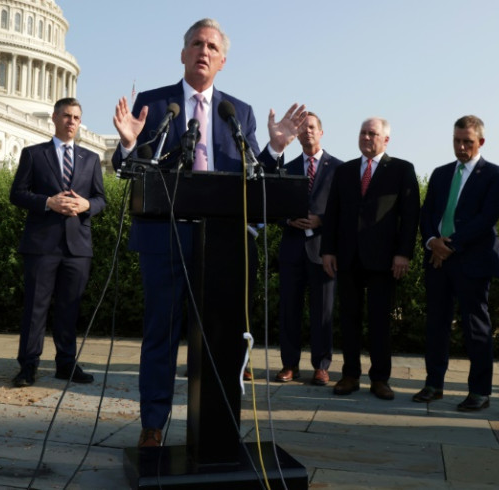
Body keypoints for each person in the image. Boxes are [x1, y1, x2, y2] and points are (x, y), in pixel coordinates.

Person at [111, 18, 306, 447]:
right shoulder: (155, 103)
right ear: (183, 54)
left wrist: (274, 148)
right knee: (161, 333)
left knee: (221, 337)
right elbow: (132, 169)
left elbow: (253, 179)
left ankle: (218, 429)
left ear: (222, 60)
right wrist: (127, 146)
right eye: (196, 44)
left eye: (211, 46)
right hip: (165, 239)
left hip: (222, 245)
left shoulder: (237, 112)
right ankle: (153, 425)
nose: (203, 51)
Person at [10, 98, 107, 388]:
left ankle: (66, 364)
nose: (71, 122)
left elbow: (102, 200)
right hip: (41, 244)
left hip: (77, 247)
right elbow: (17, 194)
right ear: (54, 117)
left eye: (76, 117)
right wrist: (48, 202)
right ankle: (28, 366)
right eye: (66, 116)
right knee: (35, 308)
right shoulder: (34, 154)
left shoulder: (91, 159)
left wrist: (85, 205)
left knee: (70, 308)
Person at [413, 116, 499, 411]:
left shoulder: (495, 174)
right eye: (457, 140)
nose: (461, 146)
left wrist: (449, 245)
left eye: (467, 141)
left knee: (475, 327)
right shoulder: (441, 174)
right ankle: (433, 384)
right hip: (437, 259)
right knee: (436, 324)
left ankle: (480, 391)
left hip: (473, 260)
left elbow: (487, 217)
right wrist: (432, 242)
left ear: (480, 142)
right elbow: (427, 213)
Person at [321, 117, 420, 400]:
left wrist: (403, 253)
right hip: (347, 258)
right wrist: (328, 250)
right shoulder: (344, 171)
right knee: (348, 318)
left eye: (372, 134)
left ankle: (380, 379)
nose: (366, 138)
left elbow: (411, 216)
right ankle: (350, 375)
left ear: (385, 139)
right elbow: (333, 212)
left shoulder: (401, 169)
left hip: (384, 259)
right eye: (363, 133)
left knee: (380, 321)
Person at [276, 112, 343, 386]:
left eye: (312, 127)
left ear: (321, 132)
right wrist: (288, 219)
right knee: (289, 309)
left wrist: (322, 220)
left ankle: (321, 366)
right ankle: (289, 365)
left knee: (323, 312)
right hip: (292, 249)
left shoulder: (339, 169)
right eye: (302, 129)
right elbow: (274, 207)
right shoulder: (287, 168)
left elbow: (345, 211)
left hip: (323, 250)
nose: (307, 132)